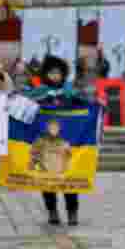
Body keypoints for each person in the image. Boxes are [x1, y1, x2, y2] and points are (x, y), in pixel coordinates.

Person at [35, 54, 80, 226]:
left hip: (67, 142)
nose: (55, 76)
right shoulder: (39, 92)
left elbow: (85, 104)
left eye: (58, 73)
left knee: (69, 177)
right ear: (45, 74)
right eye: (51, 73)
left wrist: (97, 104)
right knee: (46, 179)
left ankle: (72, 211)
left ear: (63, 74)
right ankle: (52, 210)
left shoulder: (70, 92)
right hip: (45, 143)